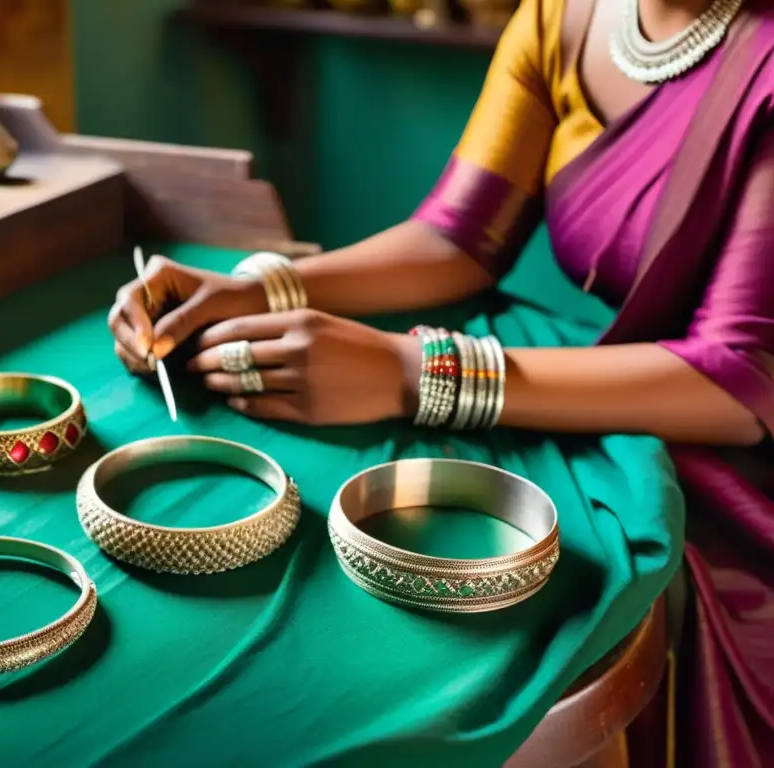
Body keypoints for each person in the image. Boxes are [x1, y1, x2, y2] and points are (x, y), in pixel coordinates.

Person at [109, 0, 774, 764]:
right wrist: (261, 290)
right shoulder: (564, 12)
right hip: (594, 375)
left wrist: (413, 370)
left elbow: (740, 377)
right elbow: (459, 235)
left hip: (722, 446)